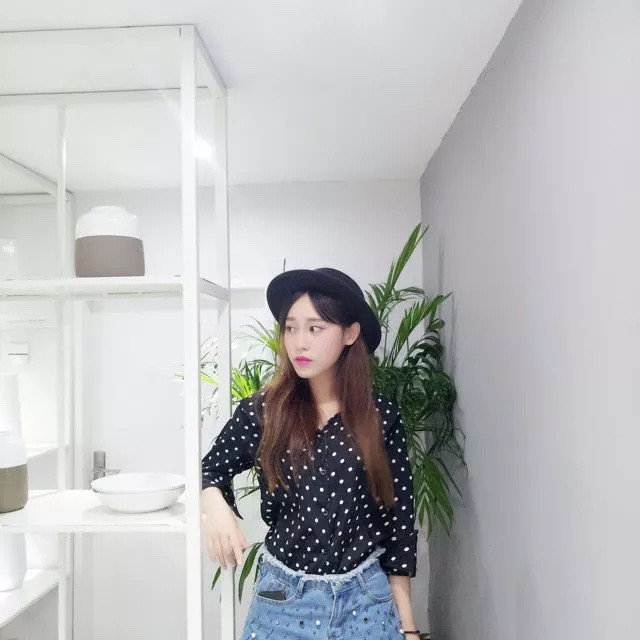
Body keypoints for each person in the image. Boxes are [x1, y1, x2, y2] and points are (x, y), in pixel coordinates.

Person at [201, 267, 422, 640]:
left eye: (315, 328)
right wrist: (215, 506)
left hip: (366, 605)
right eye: (291, 328)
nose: (299, 343)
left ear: (350, 333)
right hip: (282, 603)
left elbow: (399, 521)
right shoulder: (264, 411)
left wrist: (409, 628)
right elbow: (210, 469)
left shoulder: (381, 416)